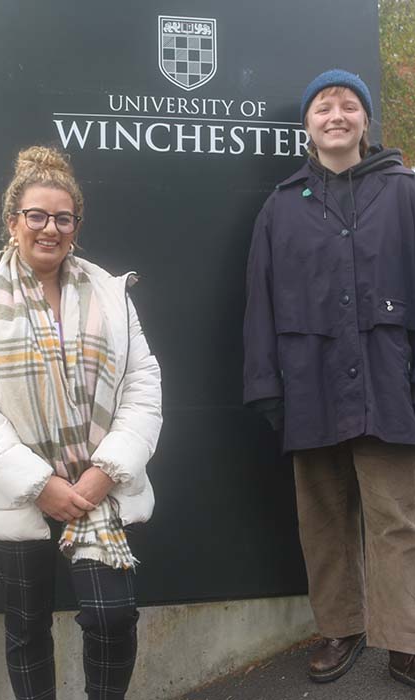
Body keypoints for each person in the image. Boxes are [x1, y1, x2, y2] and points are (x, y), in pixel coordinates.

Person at [0, 145, 162, 699]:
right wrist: (39, 485)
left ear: (76, 225)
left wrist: (105, 472)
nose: (50, 228)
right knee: (24, 628)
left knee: (113, 618)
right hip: (18, 493)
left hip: (97, 488)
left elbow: (143, 384)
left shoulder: (110, 292)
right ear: (13, 222)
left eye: (62, 218)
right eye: (36, 216)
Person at [244, 69, 415, 687]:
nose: (336, 115)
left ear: (366, 122)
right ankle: (341, 627)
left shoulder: (405, 192)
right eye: (323, 106)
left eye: (349, 105)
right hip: (309, 383)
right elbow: (260, 302)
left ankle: (405, 639)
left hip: (389, 381)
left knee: (396, 514)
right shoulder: (282, 205)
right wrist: (265, 386)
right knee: (322, 515)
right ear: (308, 124)